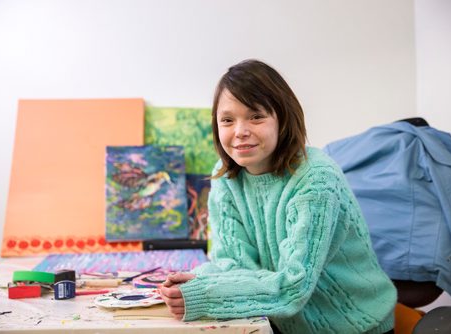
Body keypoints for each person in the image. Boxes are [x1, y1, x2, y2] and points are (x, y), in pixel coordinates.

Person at [159, 59, 397, 334]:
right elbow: (233, 265)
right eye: (227, 120)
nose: (240, 131)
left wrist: (204, 293)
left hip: (352, 326)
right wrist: (194, 281)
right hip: (277, 324)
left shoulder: (316, 178)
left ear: (283, 119)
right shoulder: (225, 177)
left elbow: (292, 287)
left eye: (256, 116)